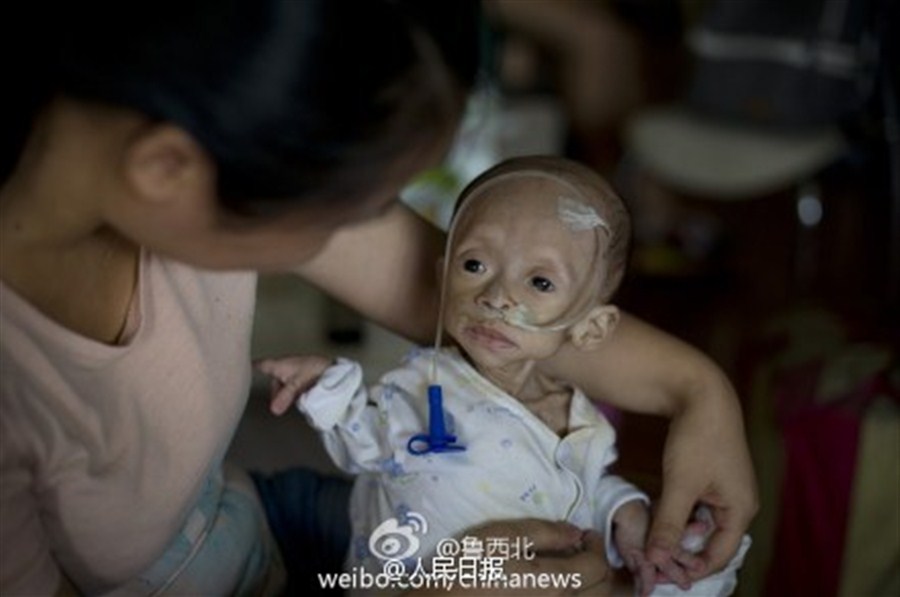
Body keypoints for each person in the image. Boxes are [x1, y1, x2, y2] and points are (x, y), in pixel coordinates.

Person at [0, 1, 756, 595]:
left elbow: (488, 306)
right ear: (168, 169)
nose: (364, 235)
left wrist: (701, 395)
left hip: (256, 521)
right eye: (343, 211)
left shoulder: (192, 139)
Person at [258, 156, 751, 596]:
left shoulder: (581, 424)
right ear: (442, 274)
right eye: (474, 264)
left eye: (539, 281)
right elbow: (362, 440)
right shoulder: (426, 389)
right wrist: (329, 390)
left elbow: (577, 490)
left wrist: (623, 512)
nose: (497, 296)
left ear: (591, 327)